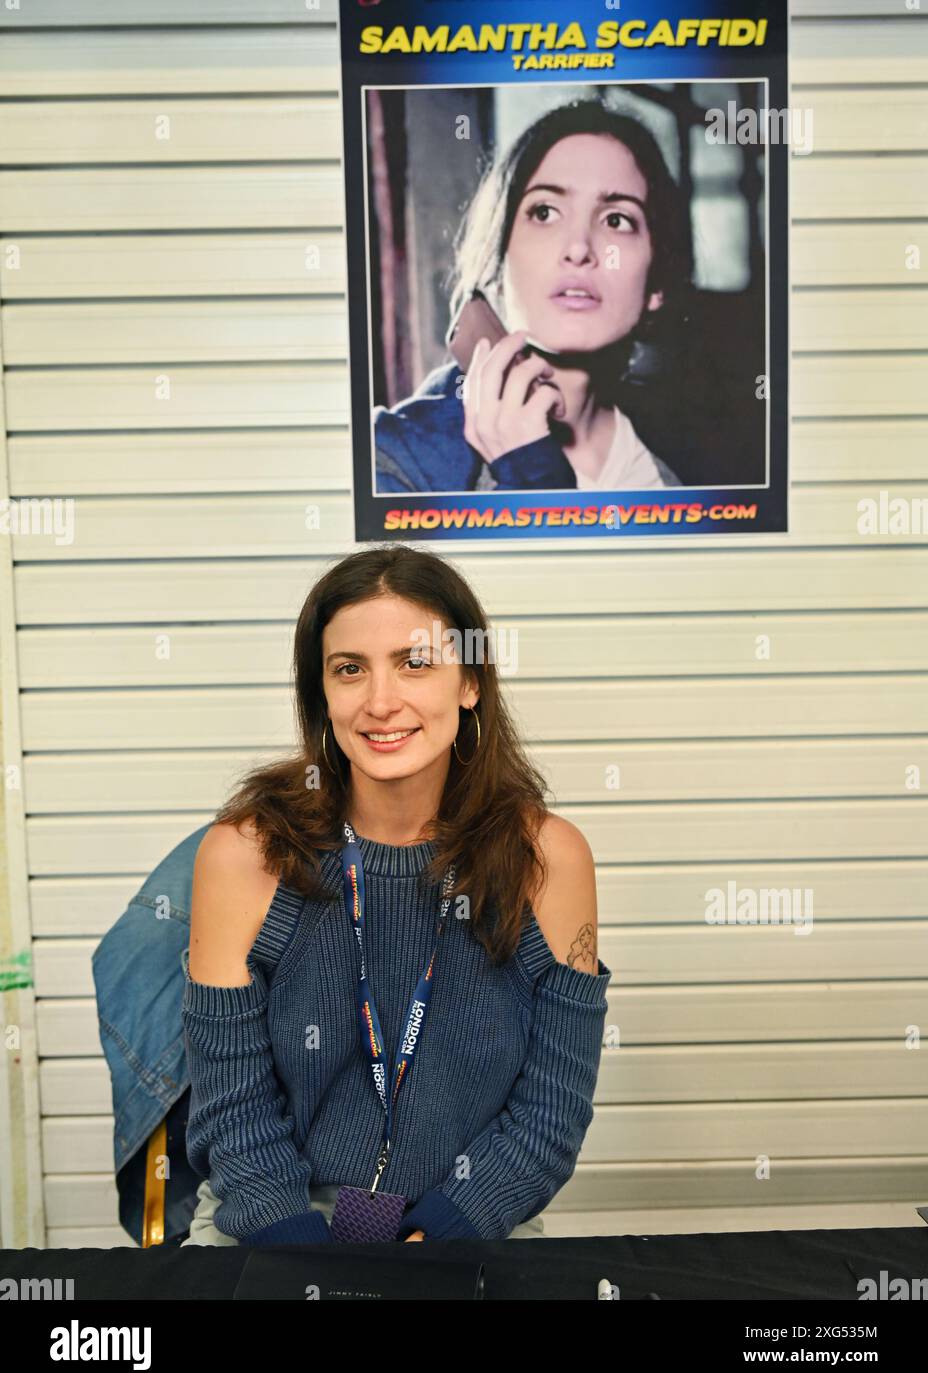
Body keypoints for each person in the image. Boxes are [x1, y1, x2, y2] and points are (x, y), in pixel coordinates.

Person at [181, 543, 611, 1245]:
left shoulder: (548, 858)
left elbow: (550, 1112)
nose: (381, 703)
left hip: (473, 1217)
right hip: (272, 1214)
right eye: (350, 670)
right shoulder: (244, 854)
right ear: (322, 692)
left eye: (416, 663)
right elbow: (232, 1109)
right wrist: (301, 1249)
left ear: (469, 682)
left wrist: (439, 1237)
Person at [374, 98, 692, 495]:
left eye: (616, 219)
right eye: (544, 213)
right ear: (499, 255)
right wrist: (529, 482)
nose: (578, 248)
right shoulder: (394, 461)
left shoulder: (676, 475)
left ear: (656, 286)